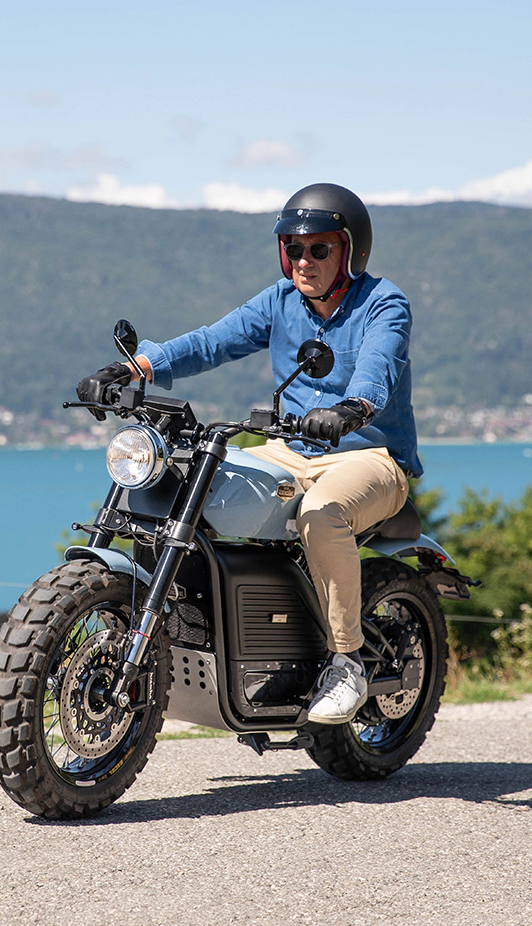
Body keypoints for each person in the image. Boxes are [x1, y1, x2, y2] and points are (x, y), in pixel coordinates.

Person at [78, 183, 422, 724]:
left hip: (368, 455)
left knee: (321, 512)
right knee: (194, 483)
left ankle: (348, 661)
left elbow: (378, 367)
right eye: (293, 248)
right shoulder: (280, 301)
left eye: (319, 248)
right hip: (290, 450)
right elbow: (211, 342)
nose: (304, 261)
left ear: (350, 250)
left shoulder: (383, 303)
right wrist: (134, 370)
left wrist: (351, 409)